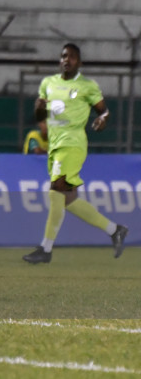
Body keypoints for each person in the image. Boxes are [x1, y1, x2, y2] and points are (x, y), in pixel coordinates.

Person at [23, 43, 128, 264]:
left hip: (72, 144)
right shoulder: (48, 84)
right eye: (63, 56)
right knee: (67, 198)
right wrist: (39, 106)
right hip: (55, 144)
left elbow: (104, 110)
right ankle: (114, 230)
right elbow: (38, 115)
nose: (66, 60)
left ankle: (46, 249)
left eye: (71, 57)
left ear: (79, 62)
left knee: (55, 192)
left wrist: (102, 119)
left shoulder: (87, 86)